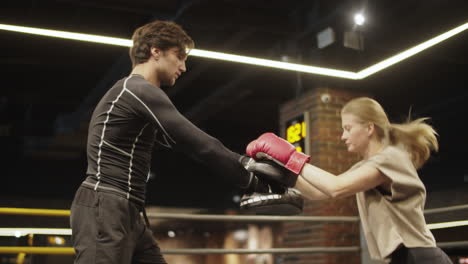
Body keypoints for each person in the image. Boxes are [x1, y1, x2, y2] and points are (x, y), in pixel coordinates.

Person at [69, 20, 288, 264]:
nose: (183, 67)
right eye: (179, 56)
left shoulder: (138, 95)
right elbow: (201, 144)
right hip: (106, 204)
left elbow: (187, 145)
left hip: (128, 209)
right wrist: (252, 176)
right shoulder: (136, 90)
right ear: (155, 51)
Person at [245, 97, 453, 264]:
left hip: (420, 256)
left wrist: (291, 158)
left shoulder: (391, 158)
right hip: (405, 257)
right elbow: (319, 192)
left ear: (369, 128)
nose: (343, 136)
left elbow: (336, 187)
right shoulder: (366, 166)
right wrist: (284, 172)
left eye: (348, 128)